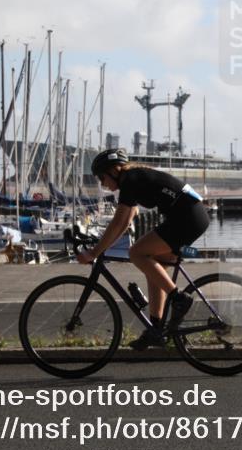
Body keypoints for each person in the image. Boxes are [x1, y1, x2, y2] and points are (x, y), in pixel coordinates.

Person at [77, 148, 210, 349]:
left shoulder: (130, 179)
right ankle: (156, 329)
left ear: (114, 170)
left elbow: (118, 222)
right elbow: (125, 221)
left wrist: (95, 252)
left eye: (101, 177)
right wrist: (100, 246)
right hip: (190, 216)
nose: (102, 183)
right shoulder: (132, 179)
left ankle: (179, 298)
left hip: (187, 218)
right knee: (153, 266)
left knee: (136, 252)